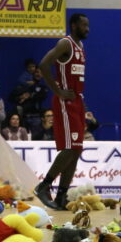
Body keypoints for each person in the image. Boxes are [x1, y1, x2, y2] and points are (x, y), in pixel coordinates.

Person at [34, 13, 90, 210]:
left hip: (77, 102)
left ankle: (61, 195)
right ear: (74, 26)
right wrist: (57, 90)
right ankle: (44, 185)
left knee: (76, 151)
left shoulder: (81, 47)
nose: (88, 29)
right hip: (65, 102)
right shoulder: (65, 44)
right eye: (84, 25)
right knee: (69, 149)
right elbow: (43, 64)